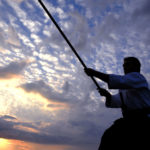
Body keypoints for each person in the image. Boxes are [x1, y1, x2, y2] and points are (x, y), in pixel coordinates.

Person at [84, 57, 150, 150]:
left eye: (127, 64)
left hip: (142, 122)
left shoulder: (138, 77)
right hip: (129, 121)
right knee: (108, 137)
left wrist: (94, 73)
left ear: (136, 67)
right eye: (123, 65)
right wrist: (108, 96)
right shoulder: (123, 87)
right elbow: (117, 101)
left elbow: (120, 81)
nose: (124, 67)